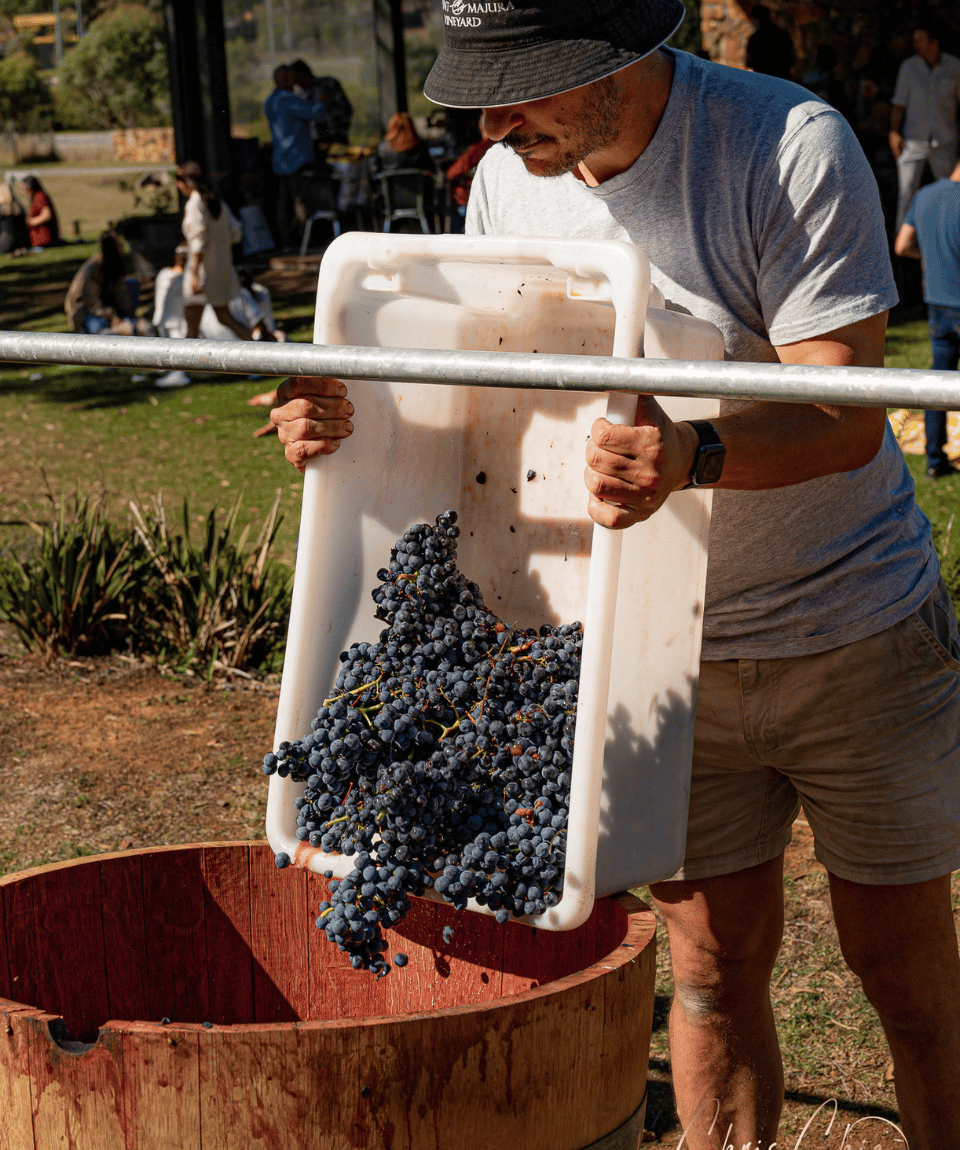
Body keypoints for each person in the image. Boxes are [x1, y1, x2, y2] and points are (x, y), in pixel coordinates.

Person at [268, 3, 960, 1148]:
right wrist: (350, 416)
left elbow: (844, 412)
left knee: (907, 977)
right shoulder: (509, 180)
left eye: (521, 90)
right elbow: (488, 393)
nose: (491, 127)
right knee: (710, 968)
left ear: (618, 53)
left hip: (848, 629)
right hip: (652, 649)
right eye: (482, 95)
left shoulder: (784, 144)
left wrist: (694, 453)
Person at [894, 158, 960, 479]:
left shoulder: (925, 195)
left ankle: (935, 459)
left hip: (937, 306)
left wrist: (933, 257)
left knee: (938, 382)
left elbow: (902, 245)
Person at [889, 25, 960, 230]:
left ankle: (949, 240)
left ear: (934, 43)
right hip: (913, 140)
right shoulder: (909, 67)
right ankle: (901, 244)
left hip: (944, 140)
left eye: (920, 40)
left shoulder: (954, 66)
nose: (915, 45)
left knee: (950, 193)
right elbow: (899, 103)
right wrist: (894, 132)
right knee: (906, 194)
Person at [175, 162, 252, 343]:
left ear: (185, 182)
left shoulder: (195, 204)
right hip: (220, 269)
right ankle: (256, 348)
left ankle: (184, 365)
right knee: (225, 317)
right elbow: (235, 232)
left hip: (202, 271)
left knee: (192, 328)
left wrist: (194, 273)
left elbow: (199, 241)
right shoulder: (215, 201)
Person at [265, 64, 326, 250]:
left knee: (284, 203)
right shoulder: (287, 99)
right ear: (284, 80)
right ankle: (304, 242)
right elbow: (314, 113)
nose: (295, 82)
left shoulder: (270, 100)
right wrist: (321, 101)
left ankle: (287, 242)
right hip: (296, 159)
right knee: (300, 201)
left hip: (280, 160)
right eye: (292, 77)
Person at [64, 228, 153, 336]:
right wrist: (112, 317)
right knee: (97, 326)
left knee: (132, 283)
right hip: (86, 309)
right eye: (119, 244)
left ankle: (123, 326)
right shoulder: (93, 269)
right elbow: (92, 302)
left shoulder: (115, 265)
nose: (122, 247)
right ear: (112, 248)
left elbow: (122, 293)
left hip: (108, 305)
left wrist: (124, 314)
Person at [370, 111, 434, 175]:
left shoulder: (382, 147)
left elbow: (375, 171)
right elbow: (430, 169)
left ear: (391, 127)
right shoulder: (420, 146)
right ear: (411, 126)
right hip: (417, 181)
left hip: (390, 181)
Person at [744, 4, 794, 81]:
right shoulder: (783, 35)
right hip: (782, 78)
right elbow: (791, 59)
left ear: (756, 19)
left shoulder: (755, 39)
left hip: (763, 80)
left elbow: (749, 62)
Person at [22, 175, 59, 252]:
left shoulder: (40, 196)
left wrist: (30, 222)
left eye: (24, 189)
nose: (23, 192)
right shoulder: (35, 198)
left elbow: (47, 215)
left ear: (31, 187)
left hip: (44, 240)